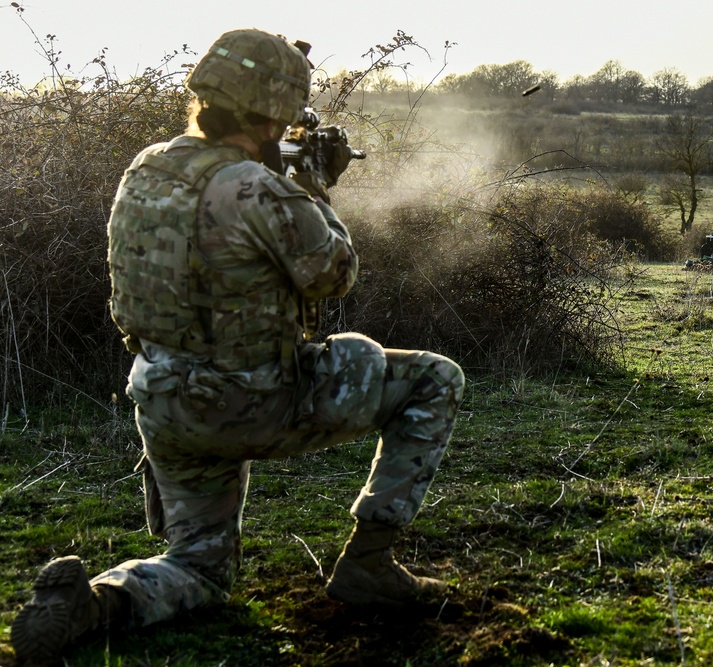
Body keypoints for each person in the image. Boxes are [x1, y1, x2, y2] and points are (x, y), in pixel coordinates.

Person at [11, 28, 465, 664]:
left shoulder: (145, 169)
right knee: (432, 379)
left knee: (200, 570)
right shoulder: (255, 187)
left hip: (164, 404)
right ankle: (368, 563)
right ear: (273, 112)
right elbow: (334, 272)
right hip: (251, 402)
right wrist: (312, 186)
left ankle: (95, 604)